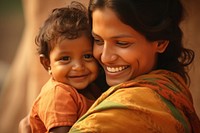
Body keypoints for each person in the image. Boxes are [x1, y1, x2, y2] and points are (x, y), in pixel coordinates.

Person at [19, 0, 200, 132]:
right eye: (97, 40)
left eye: (122, 43)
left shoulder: (135, 106)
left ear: (160, 43)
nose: (104, 57)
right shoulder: (70, 92)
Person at [29, 1, 103, 132]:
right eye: (65, 58)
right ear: (47, 63)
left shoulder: (91, 87)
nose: (78, 67)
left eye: (87, 56)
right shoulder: (58, 94)